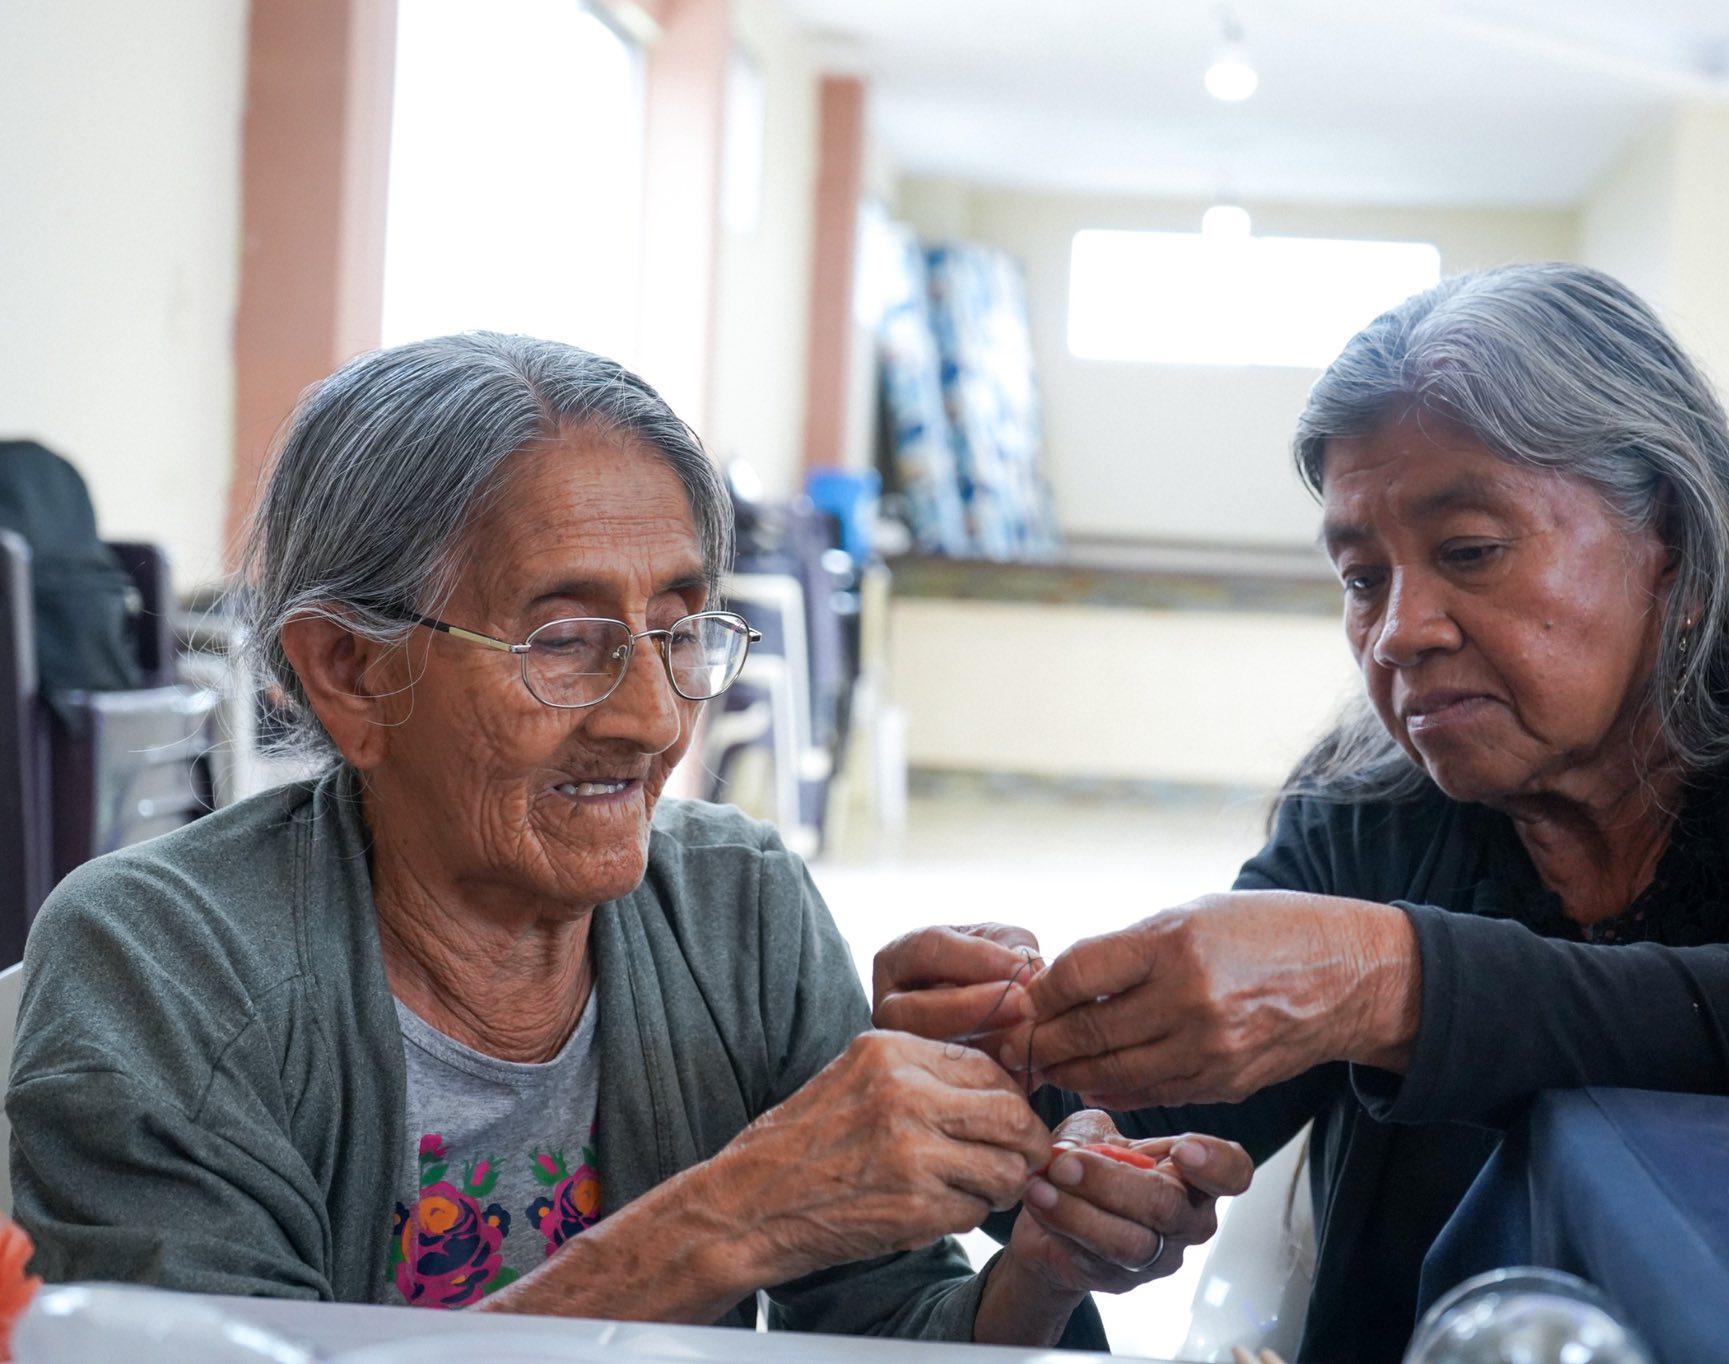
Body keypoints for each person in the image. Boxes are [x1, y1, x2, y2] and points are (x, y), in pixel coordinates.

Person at [874, 265, 1729, 1363]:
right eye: (1360, 576)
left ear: (1669, 539)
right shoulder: (1372, 811)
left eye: (1469, 551)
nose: (1397, 632)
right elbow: (1134, 1116)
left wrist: (1379, 980)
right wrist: (1005, 1078)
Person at [5, 334, 1249, 1343]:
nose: (653, 719)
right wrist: (732, 1216)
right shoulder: (160, 963)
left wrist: (1039, 1263)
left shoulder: (731, 906)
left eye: (679, 626)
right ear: (348, 671)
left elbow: (876, 1324)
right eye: (562, 640)